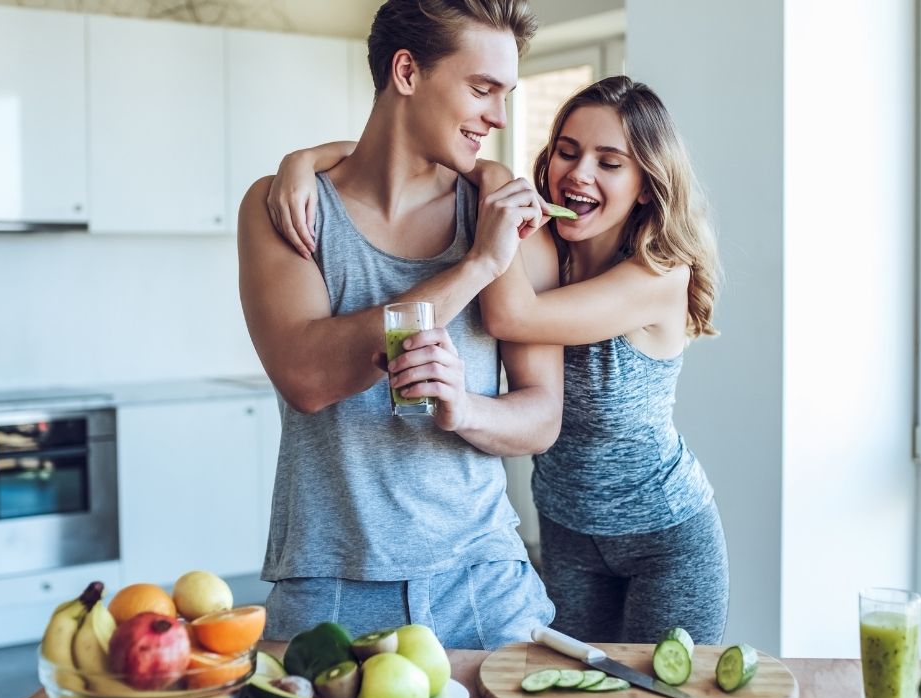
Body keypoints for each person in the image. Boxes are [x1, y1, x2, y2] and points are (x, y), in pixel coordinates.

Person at [269, 75, 728, 645]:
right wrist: (304, 159)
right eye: (568, 151)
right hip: (565, 531)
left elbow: (511, 318)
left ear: (644, 186)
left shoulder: (658, 276)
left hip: (663, 536)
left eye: (610, 162)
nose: (580, 173)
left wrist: (491, 179)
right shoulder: (545, 248)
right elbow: (397, 148)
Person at [237, 0, 564, 650]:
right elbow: (307, 375)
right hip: (328, 588)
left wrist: (463, 408)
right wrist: (474, 268)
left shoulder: (505, 218)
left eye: (506, 94)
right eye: (481, 88)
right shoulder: (290, 209)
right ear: (408, 71)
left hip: (486, 586)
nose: (498, 117)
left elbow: (541, 418)